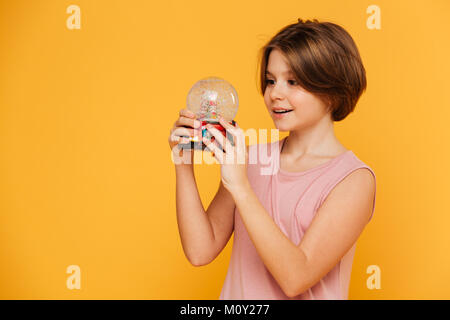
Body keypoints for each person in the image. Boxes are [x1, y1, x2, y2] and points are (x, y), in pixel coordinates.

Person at [168, 18, 376, 300]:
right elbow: (199, 250)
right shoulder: (251, 159)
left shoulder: (354, 180)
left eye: (293, 82)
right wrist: (183, 164)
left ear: (331, 90)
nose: (274, 94)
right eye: (270, 81)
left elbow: (296, 277)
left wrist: (241, 187)